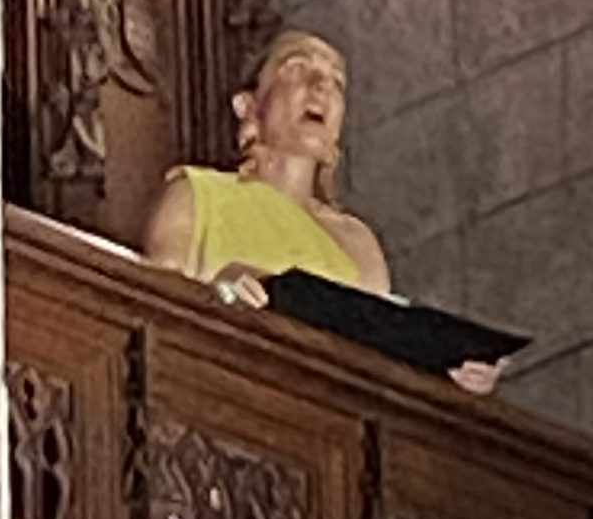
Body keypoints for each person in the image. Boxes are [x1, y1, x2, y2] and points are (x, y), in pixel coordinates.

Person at [140, 27, 503, 394]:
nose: (320, 86)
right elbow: (153, 312)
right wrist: (216, 294)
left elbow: (380, 359)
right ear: (248, 106)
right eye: (297, 67)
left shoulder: (358, 242)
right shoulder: (195, 195)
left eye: (336, 82)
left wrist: (449, 369)